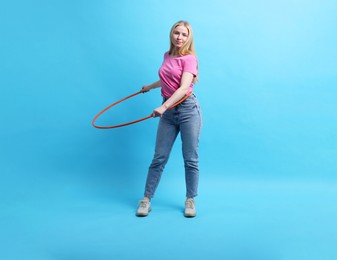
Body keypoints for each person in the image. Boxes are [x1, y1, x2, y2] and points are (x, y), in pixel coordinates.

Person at [136, 20, 202, 218]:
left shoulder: (189, 58)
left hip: (187, 110)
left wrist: (163, 106)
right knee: (159, 157)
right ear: (171, 34)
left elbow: (183, 88)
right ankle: (146, 200)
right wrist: (150, 86)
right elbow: (168, 79)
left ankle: (190, 199)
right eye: (177, 33)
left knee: (190, 158)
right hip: (168, 112)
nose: (179, 38)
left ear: (188, 38)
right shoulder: (168, 55)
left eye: (184, 34)